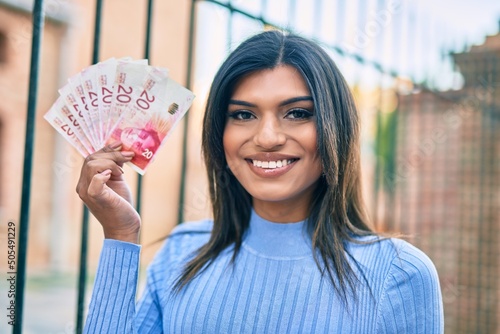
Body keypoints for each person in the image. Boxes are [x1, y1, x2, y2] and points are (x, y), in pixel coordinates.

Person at [77, 30, 444, 333]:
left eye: (297, 113)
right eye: (243, 114)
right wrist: (120, 237)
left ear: (336, 128)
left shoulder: (398, 275)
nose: (267, 137)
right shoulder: (180, 254)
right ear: (220, 134)